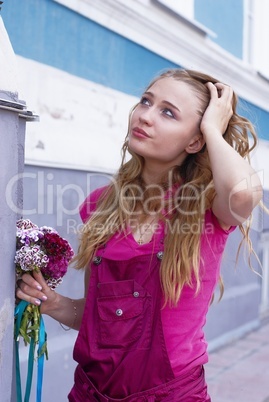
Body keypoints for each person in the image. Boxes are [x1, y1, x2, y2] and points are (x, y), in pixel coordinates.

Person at [16, 68, 263, 401]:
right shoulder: (101, 205)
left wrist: (212, 130)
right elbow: (96, 315)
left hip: (171, 394)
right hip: (90, 391)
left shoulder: (207, 207)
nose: (145, 116)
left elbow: (244, 192)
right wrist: (53, 302)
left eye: (167, 112)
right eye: (146, 101)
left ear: (194, 140)